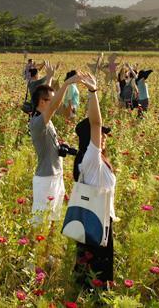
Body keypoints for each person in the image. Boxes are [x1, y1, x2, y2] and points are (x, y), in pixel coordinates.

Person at [71, 72, 117, 292]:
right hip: (96, 218)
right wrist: (92, 93)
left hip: (100, 217)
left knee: (88, 267)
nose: (104, 136)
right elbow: (96, 123)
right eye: (101, 134)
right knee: (96, 270)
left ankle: (85, 292)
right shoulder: (90, 157)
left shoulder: (96, 159)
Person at [29, 71, 85, 226]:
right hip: (46, 178)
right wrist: (67, 83)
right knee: (40, 222)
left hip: (55, 175)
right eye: (51, 100)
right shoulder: (38, 122)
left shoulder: (45, 120)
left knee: (53, 218)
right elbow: (53, 106)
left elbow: (49, 102)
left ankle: (47, 247)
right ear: (42, 102)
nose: (56, 103)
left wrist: (49, 77)